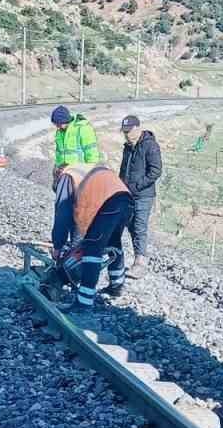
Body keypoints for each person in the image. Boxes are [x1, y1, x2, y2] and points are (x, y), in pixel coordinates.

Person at [50, 161, 134, 316]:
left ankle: (84, 302)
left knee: (92, 250)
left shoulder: (67, 177)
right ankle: (117, 285)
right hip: (126, 200)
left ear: (57, 175)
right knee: (113, 242)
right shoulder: (83, 170)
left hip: (110, 202)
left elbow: (62, 213)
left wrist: (57, 246)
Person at [118, 114, 162, 276]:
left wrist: (136, 186)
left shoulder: (150, 146)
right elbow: (123, 170)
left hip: (144, 195)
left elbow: (156, 171)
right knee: (130, 225)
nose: (126, 134)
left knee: (139, 226)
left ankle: (140, 263)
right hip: (127, 194)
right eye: (124, 131)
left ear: (138, 128)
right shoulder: (127, 147)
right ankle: (134, 257)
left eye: (129, 131)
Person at [50, 105, 100, 186]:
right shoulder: (59, 132)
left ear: (65, 120)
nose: (57, 128)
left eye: (58, 124)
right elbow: (59, 153)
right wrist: (57, 166)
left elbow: (92, 153)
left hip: (80, 174)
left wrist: (89, 173)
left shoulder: (83, 129)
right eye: (56, 125)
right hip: (64, 173)